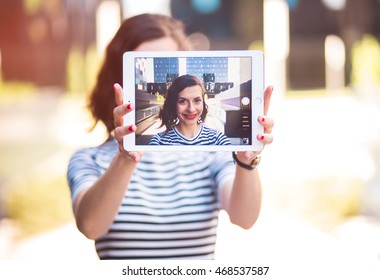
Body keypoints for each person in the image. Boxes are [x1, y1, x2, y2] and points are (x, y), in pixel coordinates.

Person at [67, 13, 274, 260]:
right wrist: (125, 157)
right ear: (118, 80)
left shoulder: (211, 152)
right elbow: (91, 226)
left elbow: (245, 217)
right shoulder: (88, 160)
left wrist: (246, 160)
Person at [149, 74, 231, 146]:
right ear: (173, 104)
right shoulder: (159, 142)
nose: (191, 109)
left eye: (197, 100)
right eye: (182, 101)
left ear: (203, 102)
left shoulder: (218, 140)